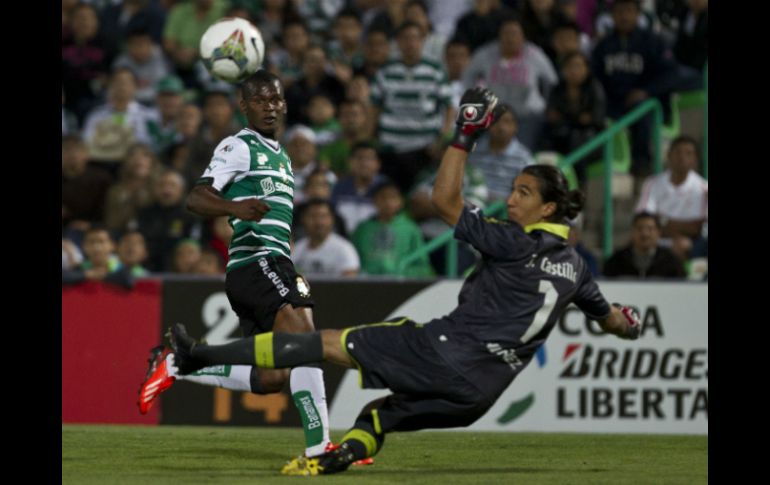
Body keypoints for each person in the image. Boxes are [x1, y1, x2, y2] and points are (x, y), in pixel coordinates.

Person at [163, 88, 644, 475]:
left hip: (438, 350)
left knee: (311, 347)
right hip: (481, 395)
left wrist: (463, 136)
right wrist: (630, 322)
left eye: (522, 192)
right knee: (375, 414)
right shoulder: (578, 268)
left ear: (549, 208)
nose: (511, 200)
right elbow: (615, 322)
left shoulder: (511, 241)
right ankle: (332, 453)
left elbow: (444, 202)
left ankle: (196, 358)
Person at [137, 70, 335, 460]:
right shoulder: (239, 146)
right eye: (260, 100)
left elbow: (277, 218)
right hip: (257, 261)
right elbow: (196, 198)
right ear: (243, 107)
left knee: (272, 377)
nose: (270, 107)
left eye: (276, 99)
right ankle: (319, 450)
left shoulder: (283, 157)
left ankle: (182, 363)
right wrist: (233, 207)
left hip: (269, 263)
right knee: (306, 344)